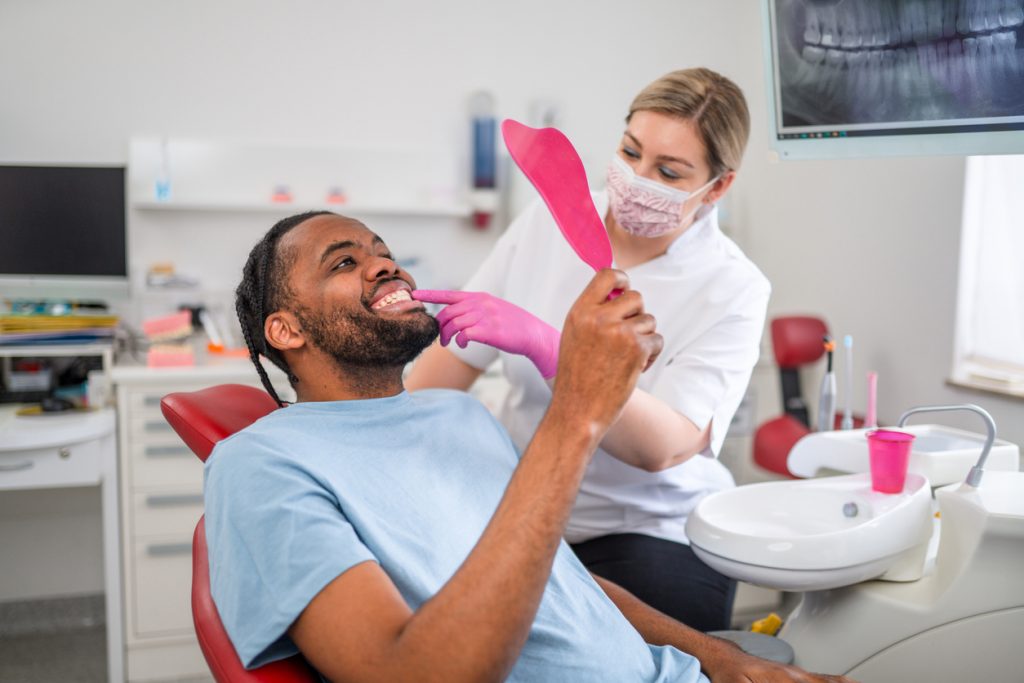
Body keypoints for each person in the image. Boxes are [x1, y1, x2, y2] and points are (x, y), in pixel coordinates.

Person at [204, 211, 850, 682]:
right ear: (284, 329)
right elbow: (414, 672)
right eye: (344, 262)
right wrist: (579, 408)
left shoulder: (460, 417)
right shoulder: (260, 464)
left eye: (383, 250)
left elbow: (563, 583)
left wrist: (717, 657)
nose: (385, 264)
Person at [406, 67, 769, 631]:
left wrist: (555, 350)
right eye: (630, 151)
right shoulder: (545, 223)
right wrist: (357, 428)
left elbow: (665, 447)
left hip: (647, 532)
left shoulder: (733, 287)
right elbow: (444, 367)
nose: (638, 177)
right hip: (523, 505)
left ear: (718, 186)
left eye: (669, 172)